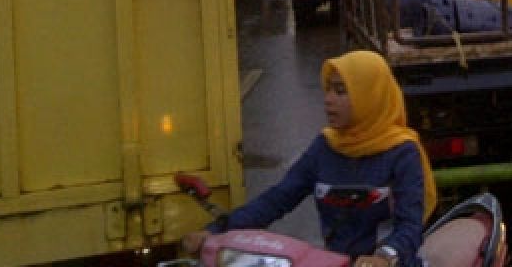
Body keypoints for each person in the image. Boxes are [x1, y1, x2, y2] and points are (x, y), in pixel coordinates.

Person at [182, 50, 437, 267]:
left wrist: (384, 256)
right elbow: (277, 200)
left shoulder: (402, 152)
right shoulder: (325, 147)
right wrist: (215, 231)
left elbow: (409, 226)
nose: (328, 100)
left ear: (370, 96)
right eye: (327, 90)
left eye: (341, 92)